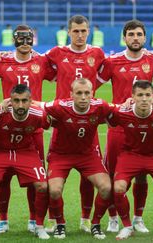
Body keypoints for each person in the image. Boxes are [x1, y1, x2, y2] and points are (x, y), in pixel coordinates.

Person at [0, 24, 55, 234]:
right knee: (2, 179)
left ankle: (34, 220)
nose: (24, 43)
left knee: (36, 180)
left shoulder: (41, 61)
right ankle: (3, 221)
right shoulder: (3, 60)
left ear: (33, 39)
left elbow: (61, 77)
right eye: (20, 39)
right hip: (8, 125)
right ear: (14, 40)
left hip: (34, 128)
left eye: (28, 39)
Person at [97, 19, 153, 233]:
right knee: (111, 173)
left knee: (141, 173)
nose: (135, 38)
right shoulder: (112, 61)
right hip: (118, 126)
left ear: (144, 38)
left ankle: (138, 218)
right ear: (124, 37)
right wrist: (115, 107)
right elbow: (92, 86)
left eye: (138, 35)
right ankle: (113, 217)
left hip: (144, 126)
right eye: (131, 34)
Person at [45, 14, 106, 234]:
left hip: (88, 120)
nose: (80, 35)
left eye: (83, 31)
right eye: (75, 31)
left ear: (88, 31)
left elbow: (105, 74)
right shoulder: (57, 53)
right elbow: (37, 64)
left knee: (88, 175)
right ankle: (54, 219)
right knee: (54, 177)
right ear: (68, 32)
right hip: (62, 121)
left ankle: (86, 218)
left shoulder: (97, 54)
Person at [42, 78, 112, 240]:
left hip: (87, 156)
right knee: (54, 190)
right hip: (61, 155)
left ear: (92, 94)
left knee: (106, 188)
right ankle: (60, 224)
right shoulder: (60, 106)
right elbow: (36, 104)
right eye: (79, 93)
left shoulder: (100, 106)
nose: (83, 97)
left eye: (87, 93)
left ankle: (95, 224)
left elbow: (120, 109)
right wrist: (8, 101)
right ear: (71, 95)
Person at [107, 81, 153, 240]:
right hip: (130, 155)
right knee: (118, 188)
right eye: (140, 95)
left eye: (148, 95)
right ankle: (126, 226)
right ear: (132, 97)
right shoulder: (122, 111)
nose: (144, 99)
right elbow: (105, 112)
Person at [0, 84, 51, 240]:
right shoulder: (1, 111)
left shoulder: (38, 114)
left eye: (24, 101)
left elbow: (51, 123)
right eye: (16, 101)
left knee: (42, 185)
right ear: (10, 100)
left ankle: (39, 226)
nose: (20, 105)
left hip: (25, 151)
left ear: (30, 100)